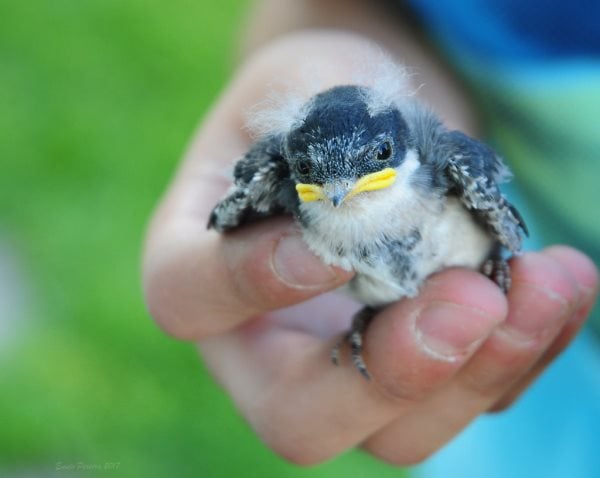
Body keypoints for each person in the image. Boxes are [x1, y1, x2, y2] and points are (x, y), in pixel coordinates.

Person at [142, 0, 599, 472]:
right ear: (296, 170)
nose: (339, 191)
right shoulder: (287, 184)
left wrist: (498, 260)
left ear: (398, 146)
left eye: (376, 156)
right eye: (314, 174)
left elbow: (498, 218)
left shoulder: (449, 164)